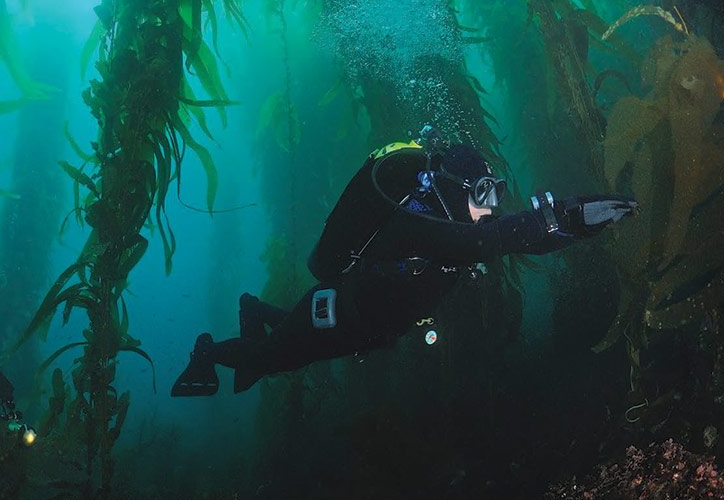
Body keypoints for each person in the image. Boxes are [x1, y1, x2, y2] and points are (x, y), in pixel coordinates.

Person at [171, 133, 638, 397]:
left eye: (495, 192)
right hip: (334, 320)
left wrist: (585, 224)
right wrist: (566, 211)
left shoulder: (451, 232)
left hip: (354, 325)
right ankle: (207, 352)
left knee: (289, 342)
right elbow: (488, 241)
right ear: (456, 188)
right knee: (270, 361)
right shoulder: (413, 225)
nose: (490, 206)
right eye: (482, 193)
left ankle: (256, 309)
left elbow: (515, 243)